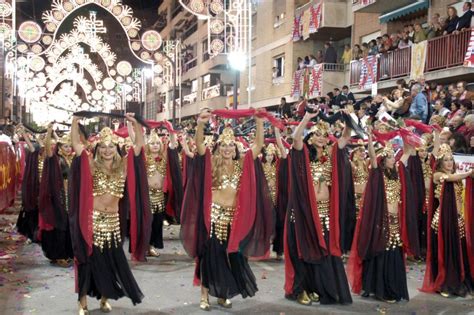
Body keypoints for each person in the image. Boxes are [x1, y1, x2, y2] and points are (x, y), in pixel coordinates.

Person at [180, 109, 272, 311]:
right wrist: (201, 124)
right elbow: (200, 145)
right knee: (209, 259)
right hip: (213, 220)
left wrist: (258, 123)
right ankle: (204, 296)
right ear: (218, 147)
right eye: (223, 145)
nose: (227, 148)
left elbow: (258, 146)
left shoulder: (242, 165)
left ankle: (222, 295)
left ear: (236, 147)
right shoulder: (211, 163)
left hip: (234, 222)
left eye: (231, 145)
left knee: (229, 260)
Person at [70, 114, 150, 314]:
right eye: (103, 146)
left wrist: (135, 124)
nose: (107, 150)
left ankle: (104, 298)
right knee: (88, 263)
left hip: (113, 223)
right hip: (93, 222)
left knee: (109, 262)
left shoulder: (123, 167)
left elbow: (139, 146)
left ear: (116, 149)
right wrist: (74, 122)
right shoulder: (91, 165)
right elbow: (77, 145)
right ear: (98, 149)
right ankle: (83, 303)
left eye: (111, 146)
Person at [284, 109, 354, 306]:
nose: (322, 138)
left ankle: (318, 287)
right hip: (305, 212)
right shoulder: (303, 153)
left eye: (325, 135)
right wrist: (307, 118)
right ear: (311, 137)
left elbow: (347, 136)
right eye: (317, 134)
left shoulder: (332, 154)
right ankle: (302, 289)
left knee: (323, 251)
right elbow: (295, 137)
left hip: (325, 212)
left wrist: (347, 119)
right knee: (305, 249)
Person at [348, 131, 419, 303]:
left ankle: (391, 288)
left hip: (395, 222)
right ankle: (379, 289)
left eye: (393, 157)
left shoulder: (398, 174)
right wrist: (371, 140)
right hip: (381, 222)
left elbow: (408, 152)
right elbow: (372, 158)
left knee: (394, 252)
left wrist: (405, 134)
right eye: (389, 157)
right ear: (383, 161)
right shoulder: (378, 175)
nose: (392, 159)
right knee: (380, 251)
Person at [422, 144, 474, 297]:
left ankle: (460, 280)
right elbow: (450, 178)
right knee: (446, 252)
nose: (450, 162)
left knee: (459, 252)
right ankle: (445, 283)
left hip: (458, 220)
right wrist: (470, 172)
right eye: (446, 160)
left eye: (451, 159)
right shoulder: (437, 175)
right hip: (443, 222)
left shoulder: (458, 176)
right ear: (440, 163)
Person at [142, 129, 183, 257]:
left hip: (159, 196)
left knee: (157, 223)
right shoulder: (144, 158)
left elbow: (172, 145)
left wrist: (171, 131)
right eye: (152, 143)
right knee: (146, 222)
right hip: (147, 196)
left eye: (157, 143)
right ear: (147, 145)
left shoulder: (164, 158)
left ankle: (152, 246)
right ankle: (144, 246)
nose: (155, 145)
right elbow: (137, 142)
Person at [38, 124, 74, 268]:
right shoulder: (56, 159)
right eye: (65, 147)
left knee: (67, 226)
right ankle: (59, 255)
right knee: (60, 226)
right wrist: (48, 132)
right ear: (59, 148)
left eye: (69, 146)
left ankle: (65, 253)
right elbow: (47, 149)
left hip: (69, 197)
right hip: (58, 197)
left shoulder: (70, 159)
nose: (68, 148)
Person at [262, 129, 288, 260]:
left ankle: (278, 250)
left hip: (277, 198)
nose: (269, 157)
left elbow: (283, 153)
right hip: (265, 199)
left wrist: (277, 134)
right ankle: (263, 249)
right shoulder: (260, 167)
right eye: (268, 155)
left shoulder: (278, 165)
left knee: (278, 224)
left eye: (272, 155)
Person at [16, 125, 41, 242]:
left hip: (41, 186)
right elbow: (31, 147)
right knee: (32, 209)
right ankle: (32, 233)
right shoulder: (35, 150)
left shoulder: (48, 154)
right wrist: (23, 133)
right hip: (34, 186)